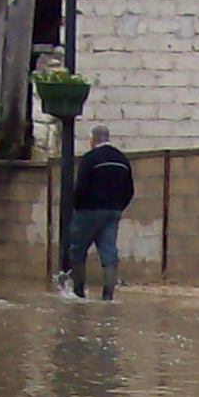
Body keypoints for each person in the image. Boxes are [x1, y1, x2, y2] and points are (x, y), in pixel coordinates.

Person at [64, 125, 136, 301]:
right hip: (113, 212)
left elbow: (80, 187)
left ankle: (78, 293)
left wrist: (76, 206)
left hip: (89, 211)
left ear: (92, 140)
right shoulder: (122, 159)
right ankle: (108, 296)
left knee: (77, 250)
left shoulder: (90, 159)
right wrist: (118, 208)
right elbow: (130, 189)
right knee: (109, 251)